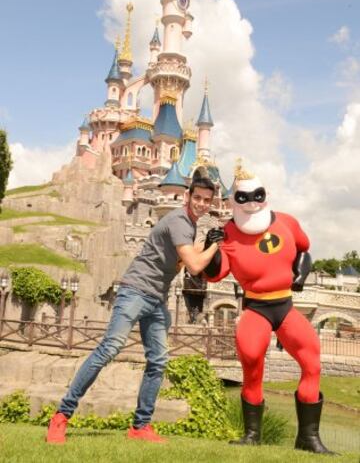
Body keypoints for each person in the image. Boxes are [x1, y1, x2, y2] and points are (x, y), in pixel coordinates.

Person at [46, 177, 223, 445]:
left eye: (207, 200)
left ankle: (140, 426)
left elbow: (176, 267)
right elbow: (195, 267)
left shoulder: (189, 226)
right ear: (187, 196)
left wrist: (205, 243)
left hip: (156, 298)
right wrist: (214, 245)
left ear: (211, 203)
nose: (201, 203)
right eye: (197, 198)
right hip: (135, 291)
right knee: (109, 348)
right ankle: (61, 416)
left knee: (158, 360)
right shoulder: (178, 221)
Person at [204, 164, 333, 454]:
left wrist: (300, 273)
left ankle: (308, 438)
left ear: (266, 195)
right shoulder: (228, 233)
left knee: (312, 361)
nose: (251, 202)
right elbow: (215, 274)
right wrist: (210, 248)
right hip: (257, 307)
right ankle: (252, 434)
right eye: (243, 197)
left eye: (257, 195)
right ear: (232, 200)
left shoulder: (286, 221)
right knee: (251, 363)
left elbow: (303, 249)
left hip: (285, 305)